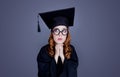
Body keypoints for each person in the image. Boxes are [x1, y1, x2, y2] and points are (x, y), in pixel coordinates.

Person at [37, 7, 78, 77]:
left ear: (67, 33)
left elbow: (73, 74)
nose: (60, 34)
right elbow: (42, 74)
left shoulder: (71, 49)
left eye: (64, 31)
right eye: (56, 30)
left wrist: (62, 56)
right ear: (52, 33)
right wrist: (55, 56)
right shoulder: (44, 51)